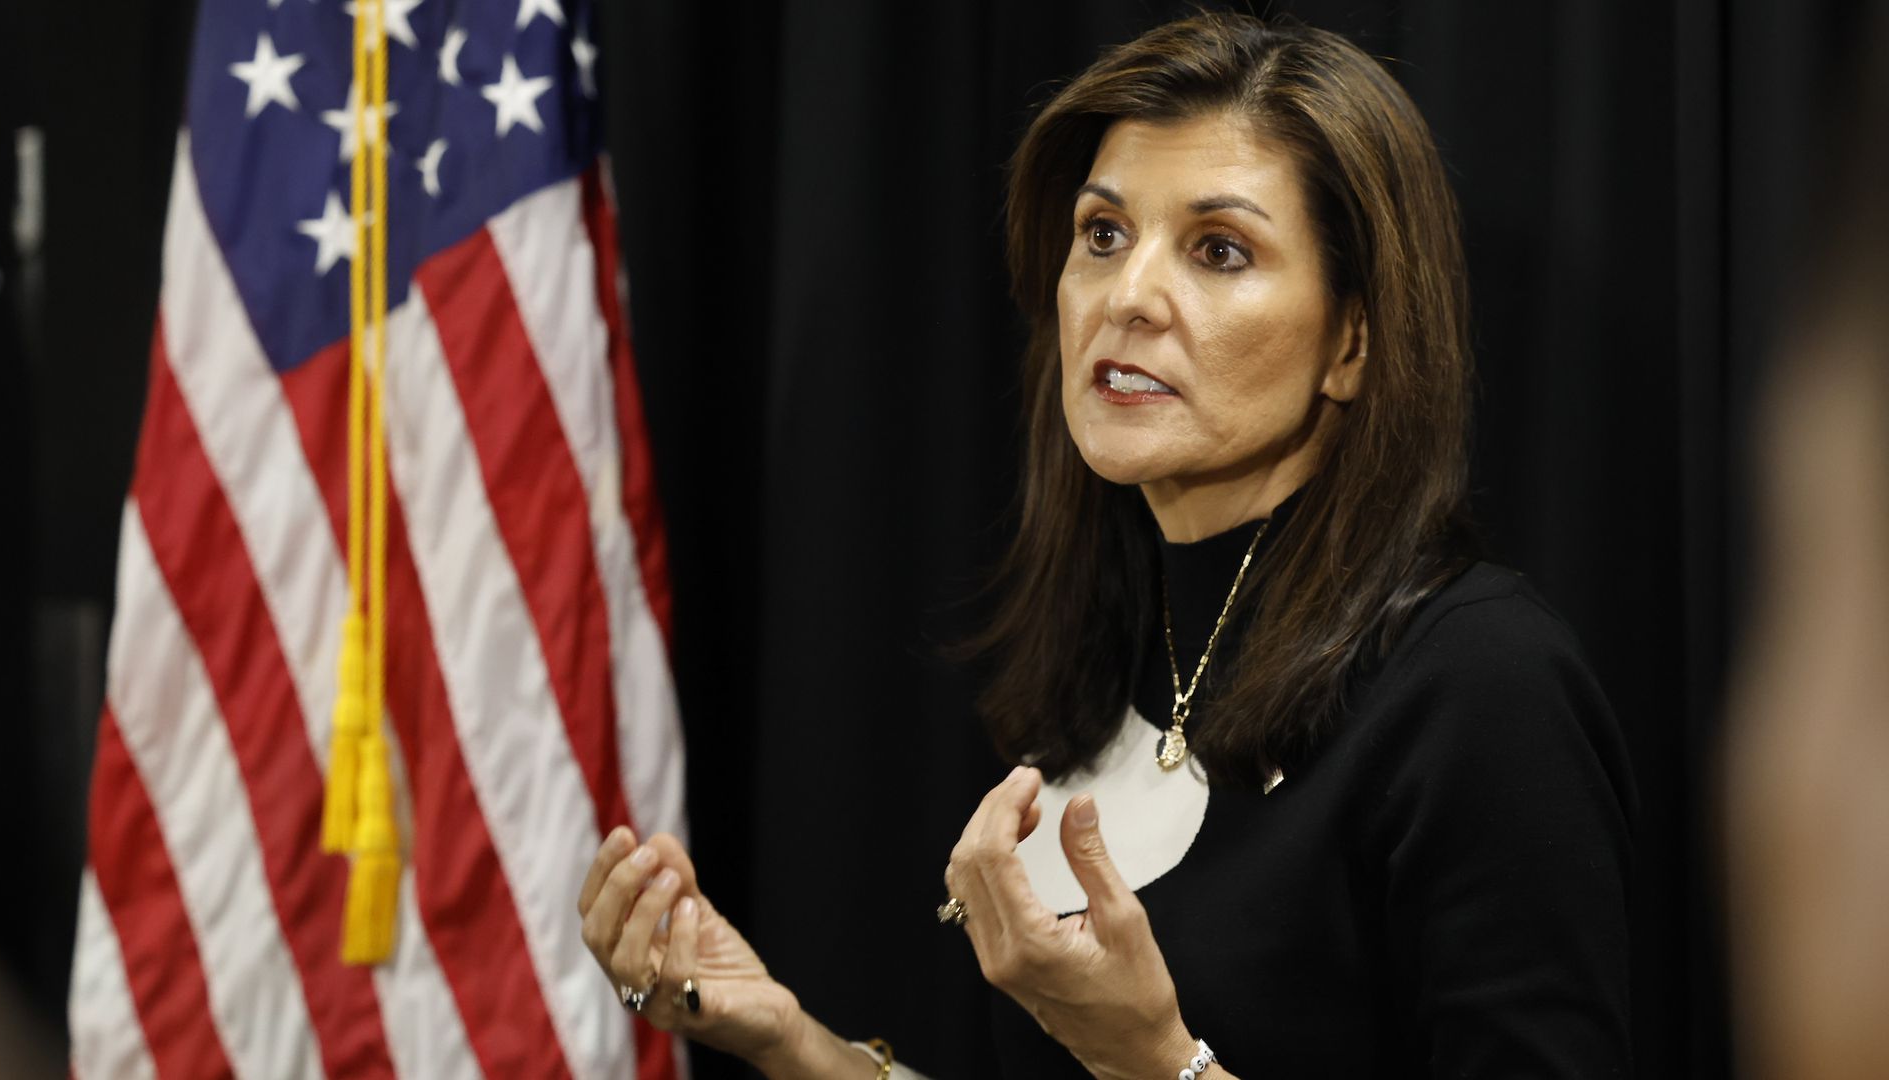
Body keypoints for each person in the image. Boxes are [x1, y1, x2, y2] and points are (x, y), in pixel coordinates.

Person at [579, 13, 1635, 1078]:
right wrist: (788, 1038)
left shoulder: (1481, 681)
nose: (1128, 296)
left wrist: (1157, 1061)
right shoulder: (1109, 653)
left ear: (1352, 342)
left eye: (1219, 250)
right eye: (1103, 234)